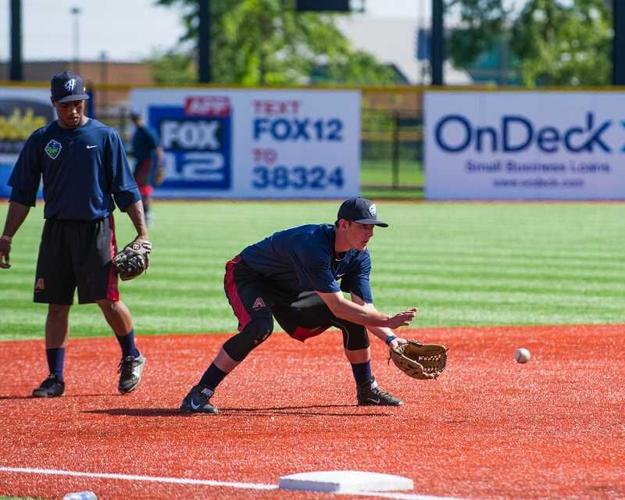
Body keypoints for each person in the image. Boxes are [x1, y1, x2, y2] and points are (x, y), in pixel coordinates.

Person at [180, 197, 417, 414]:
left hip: (292, 290)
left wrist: (392, 339)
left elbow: (364, 307)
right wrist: (385, 320)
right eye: (363, 226)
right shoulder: (312, 245)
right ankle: (200, 393)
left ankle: (367, 390)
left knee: (356, 318)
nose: (370, 233)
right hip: (249, 277)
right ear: (343, 224)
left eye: (372, 227)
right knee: (259, 328)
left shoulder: (359, 256)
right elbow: (337, 306)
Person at [0, 71, 148, 398]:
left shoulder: (105, 136)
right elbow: (23, 194)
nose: (72, 110)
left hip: (96, 228)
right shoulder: (41, 140)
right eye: (65, 104)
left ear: (85, 101)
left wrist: (142, 233)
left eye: (77, 103)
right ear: (54, 104)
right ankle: (55, 377)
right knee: (56, 305)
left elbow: (126, 189)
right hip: (56, 230)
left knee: (107, 301)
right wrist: (7, 236)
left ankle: (131, 355)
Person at [129, 110, 164, 227]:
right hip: (139, 162)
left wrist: (160, 166)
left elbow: (158, 149)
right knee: (138, 187)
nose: (136, 121)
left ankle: (148, 214)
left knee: (143, 188)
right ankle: (144, 213)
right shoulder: (138, 131)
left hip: (147, 162)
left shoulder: (147, 130)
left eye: (137, 118)